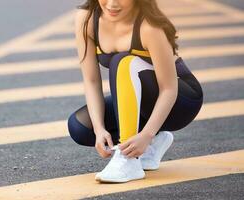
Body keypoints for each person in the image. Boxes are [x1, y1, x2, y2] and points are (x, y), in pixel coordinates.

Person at [67, 0, 203, 183]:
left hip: (180, 101)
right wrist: (99, 129)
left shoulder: (149, 26)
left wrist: (146, 135)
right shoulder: (87, 19)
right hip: (141, 97)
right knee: (81, 128)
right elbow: (91, 81)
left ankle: (128, 161)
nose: (112, 4)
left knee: (122, 62)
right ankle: (155, 142)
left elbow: (169, 89)